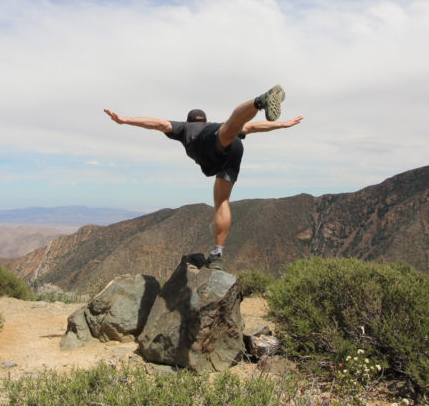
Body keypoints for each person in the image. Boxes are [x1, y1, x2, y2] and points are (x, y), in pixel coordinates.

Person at [103, 85, 303, 270]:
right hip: (233, 151)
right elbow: (252, 127)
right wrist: (282, 125)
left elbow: (157, 123)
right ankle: (217, 254)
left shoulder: (184, 128)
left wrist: (126, 120)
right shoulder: (210, 125)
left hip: (214, 142)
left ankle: (259, 101)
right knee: (224, 189)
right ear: (204, 121)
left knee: (229, 131)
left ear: (190, 121)